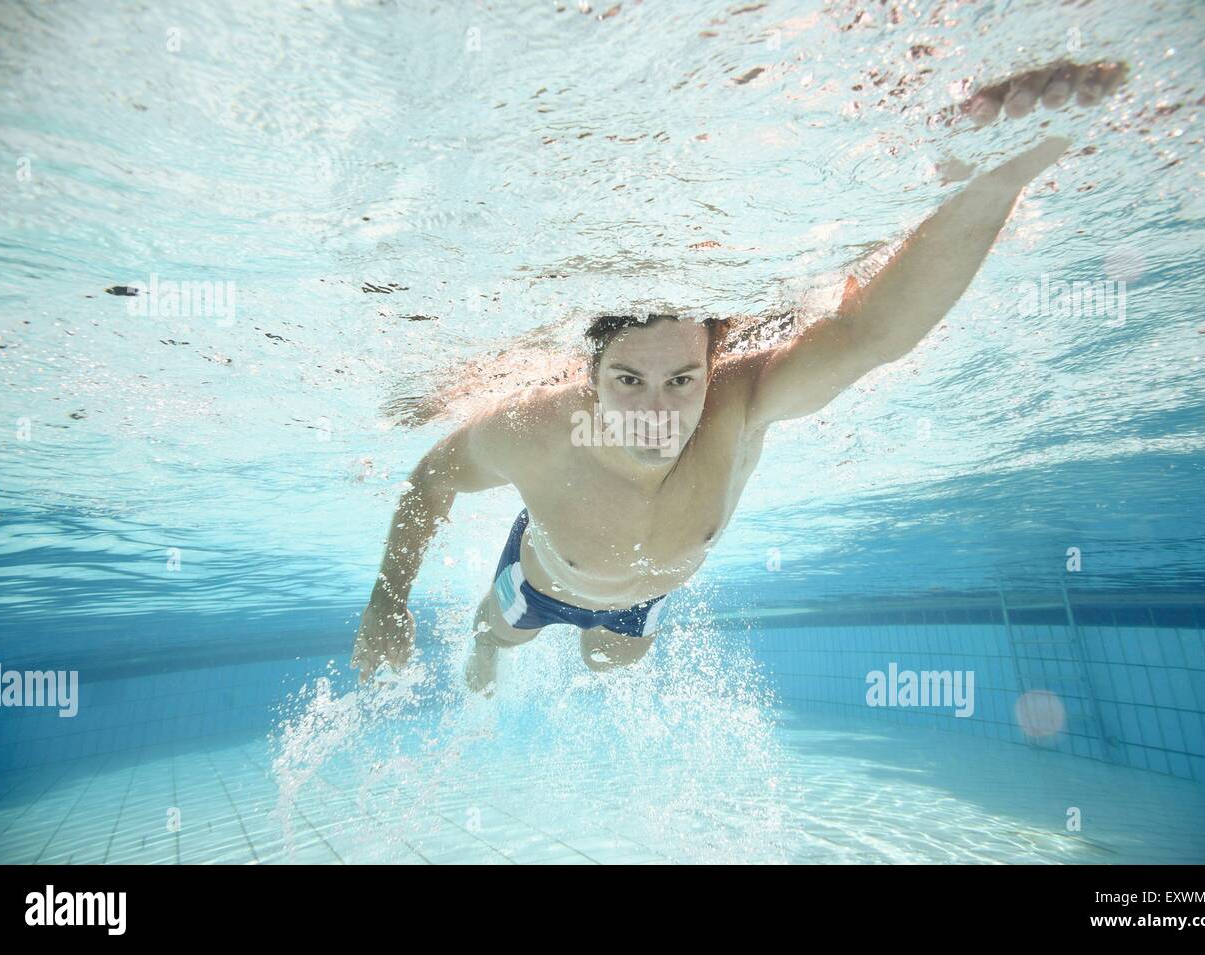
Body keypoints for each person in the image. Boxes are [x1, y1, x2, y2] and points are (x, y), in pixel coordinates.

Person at [350, 60, 1128, 695]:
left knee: (608, 664)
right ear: (587, 376)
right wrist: (388, 599)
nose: (658, 412)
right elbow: (430, 478)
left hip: (642, 601)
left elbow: (868, 335)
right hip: (544, 581)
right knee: (500, 635)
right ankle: (487, 655)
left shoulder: (741, 405)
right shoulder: (537, 434)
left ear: (713, 368)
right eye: (628, 381)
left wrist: (991, 184)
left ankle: (588, 640)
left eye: (682, 382)